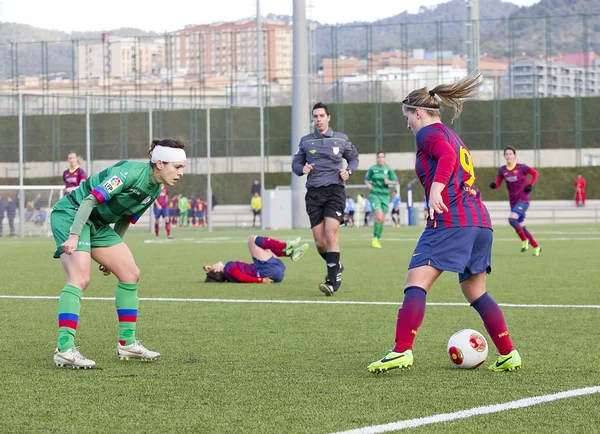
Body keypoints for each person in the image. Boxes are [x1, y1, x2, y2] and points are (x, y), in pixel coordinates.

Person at [367, 74, 521, 374]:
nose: (407, 123)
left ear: (419, 113)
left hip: (453, 220)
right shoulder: (452, 135)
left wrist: (436, 190)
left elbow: (447, 158)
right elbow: (453, 161)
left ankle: (401, 351)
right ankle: (508, 353)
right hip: (479, 221)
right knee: (476, 292)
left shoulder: (427, 134)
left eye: (407, 116)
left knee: (415, 283)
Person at [50, 137, 187, 369]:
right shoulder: (129, 173)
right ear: (160, 163)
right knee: (80, 278)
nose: (181, 172)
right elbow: (90, 200)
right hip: (73, 213)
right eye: (178, 167)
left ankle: (127, 344)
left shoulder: (155, 189)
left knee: (130, 273)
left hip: (98, 224)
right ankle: (64, 349)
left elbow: (125, 218)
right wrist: (74, 235)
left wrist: (112, 253)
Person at [292, 101, 359, 296]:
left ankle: (331, 282)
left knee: (331, 234)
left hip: (334, 191)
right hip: (313, 194)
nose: (318, 120)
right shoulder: (305, 141)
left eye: (322, 116)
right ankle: (336, 265)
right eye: (315, 117)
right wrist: (301, 169)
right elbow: (296, 163)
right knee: (320, 242)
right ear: (313, 119)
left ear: (328, 117)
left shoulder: (341, 139)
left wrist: (349, 170)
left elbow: (354, 158)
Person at [490, 146, 541, 256]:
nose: (508, 156)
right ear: (504, 156)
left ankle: (524, 240)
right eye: (506, 154)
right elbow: (498, 183)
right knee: (521, 226)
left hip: (523, 199)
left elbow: (535, 173)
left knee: (512, 219)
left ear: (514, 155)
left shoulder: (521, 167)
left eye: (510, 154)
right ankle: (536, 246)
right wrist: (494, 185)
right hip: (513, 202)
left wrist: (530, 185)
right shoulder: (502, 170)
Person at [203, 235, 309, 283]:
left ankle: (291, 253)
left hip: (274, 273)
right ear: (216, 270)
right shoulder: (229, 269)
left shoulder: (227, 272)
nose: (212, 265)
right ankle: (286, 245)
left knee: (264, 247)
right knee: (252, 240)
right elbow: (242, 277)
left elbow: (236, 276)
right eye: (212, 267)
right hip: (266, 271)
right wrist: (261, 280)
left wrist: (208, 268)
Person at [365, 151, 398, 248]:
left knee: (382, 220)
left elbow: (396, 182)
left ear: (385, 158)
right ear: (376, 158)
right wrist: (368, 184)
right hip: (375, 195)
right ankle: (374, 239)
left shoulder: (388, 169)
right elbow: (366, 178)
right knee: (378, 217)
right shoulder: (373, 169)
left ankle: (378, 238)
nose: (380, 159)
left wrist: (389, 182)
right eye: (379, 157)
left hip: (385, 196)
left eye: (382, 157)